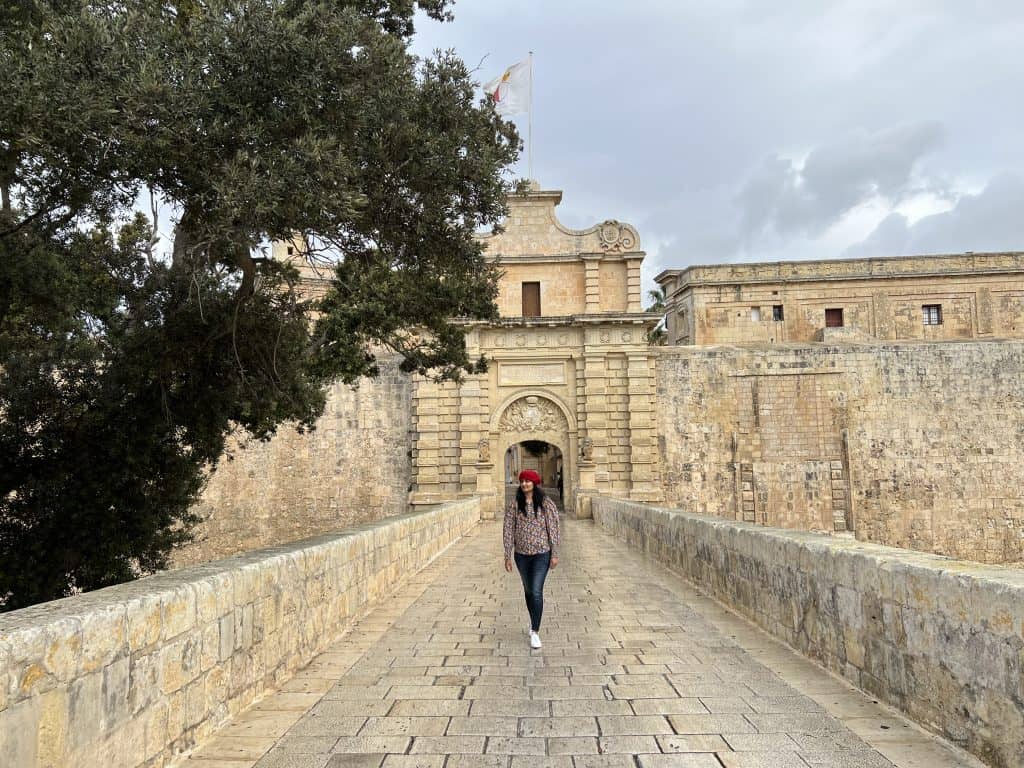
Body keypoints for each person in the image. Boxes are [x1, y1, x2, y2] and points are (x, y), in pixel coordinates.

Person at [503, 469, 561, 649]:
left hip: (541, 554)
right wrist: (507, 555)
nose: (524, 484)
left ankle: (535, 631)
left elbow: (553, 527)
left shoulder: (546, 504)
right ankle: (533, 621)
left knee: (536, 591)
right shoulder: (514, 504)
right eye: (522, 481)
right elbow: (508, 529)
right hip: (521, 555)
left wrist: (555, 553)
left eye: (528, 481)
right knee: (528, 591)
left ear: (534, 483)